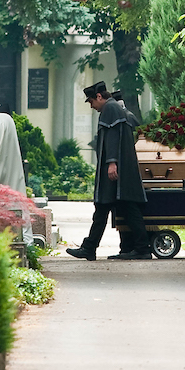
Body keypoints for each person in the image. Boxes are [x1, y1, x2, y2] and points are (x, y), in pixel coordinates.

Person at [66, 81, 152, 261]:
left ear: (99, 96)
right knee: (115, 208)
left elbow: (112, 137)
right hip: (120, 170)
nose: (92, 106)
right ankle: (95, 247)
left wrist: (112, 163)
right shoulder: (114, 108)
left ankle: (138, 248)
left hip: (115, 172)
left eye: (91, 102)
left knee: (108, 207)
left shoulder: (110, 108)